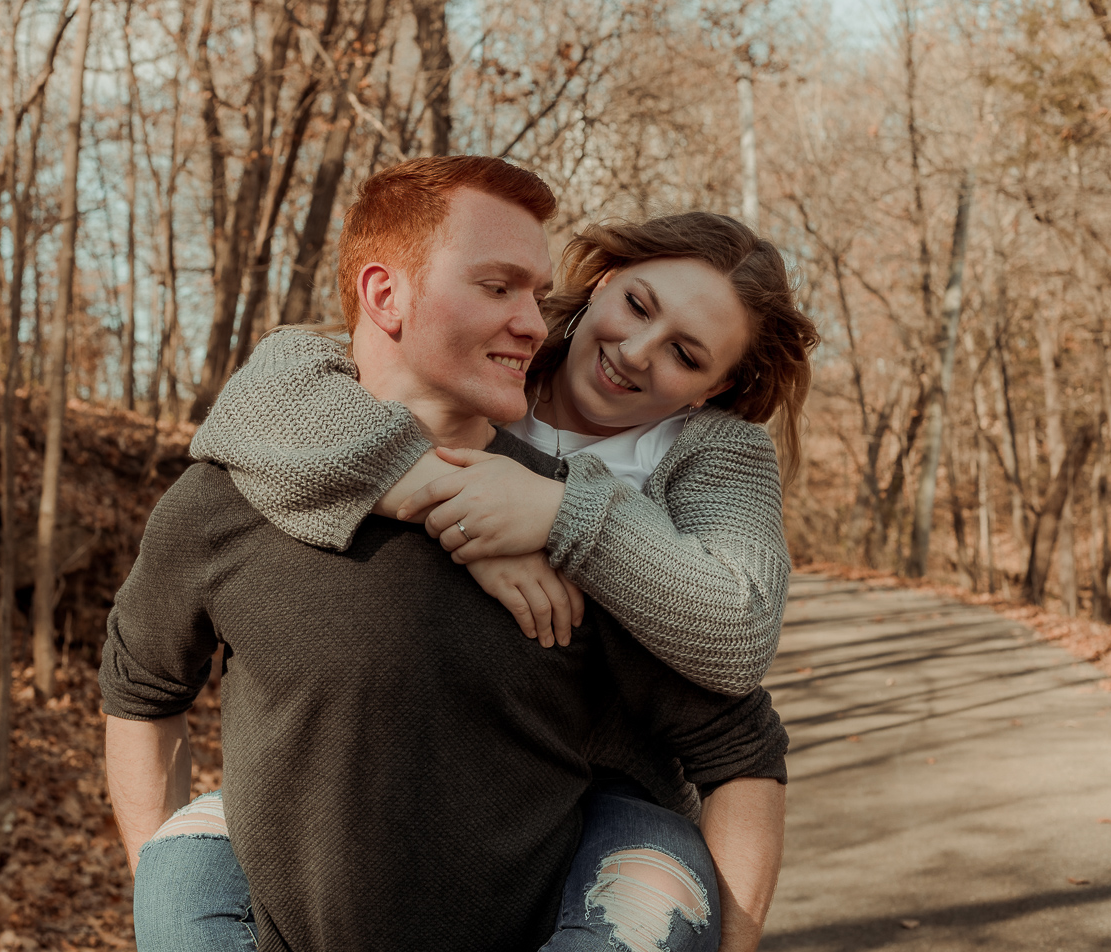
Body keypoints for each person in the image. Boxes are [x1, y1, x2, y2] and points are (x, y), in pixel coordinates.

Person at [102, 157, 805, 952]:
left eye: (686, 354)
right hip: (368, 790)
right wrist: (443, 497)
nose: (639, 351)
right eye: (636, 305)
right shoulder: (488, 361)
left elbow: (740, 635)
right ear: (602, 282)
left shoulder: (710, 452)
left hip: (610, 791)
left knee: (647, 894)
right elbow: (268, 393)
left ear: (711, 388)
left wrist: (558, 513)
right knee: (181, 882)